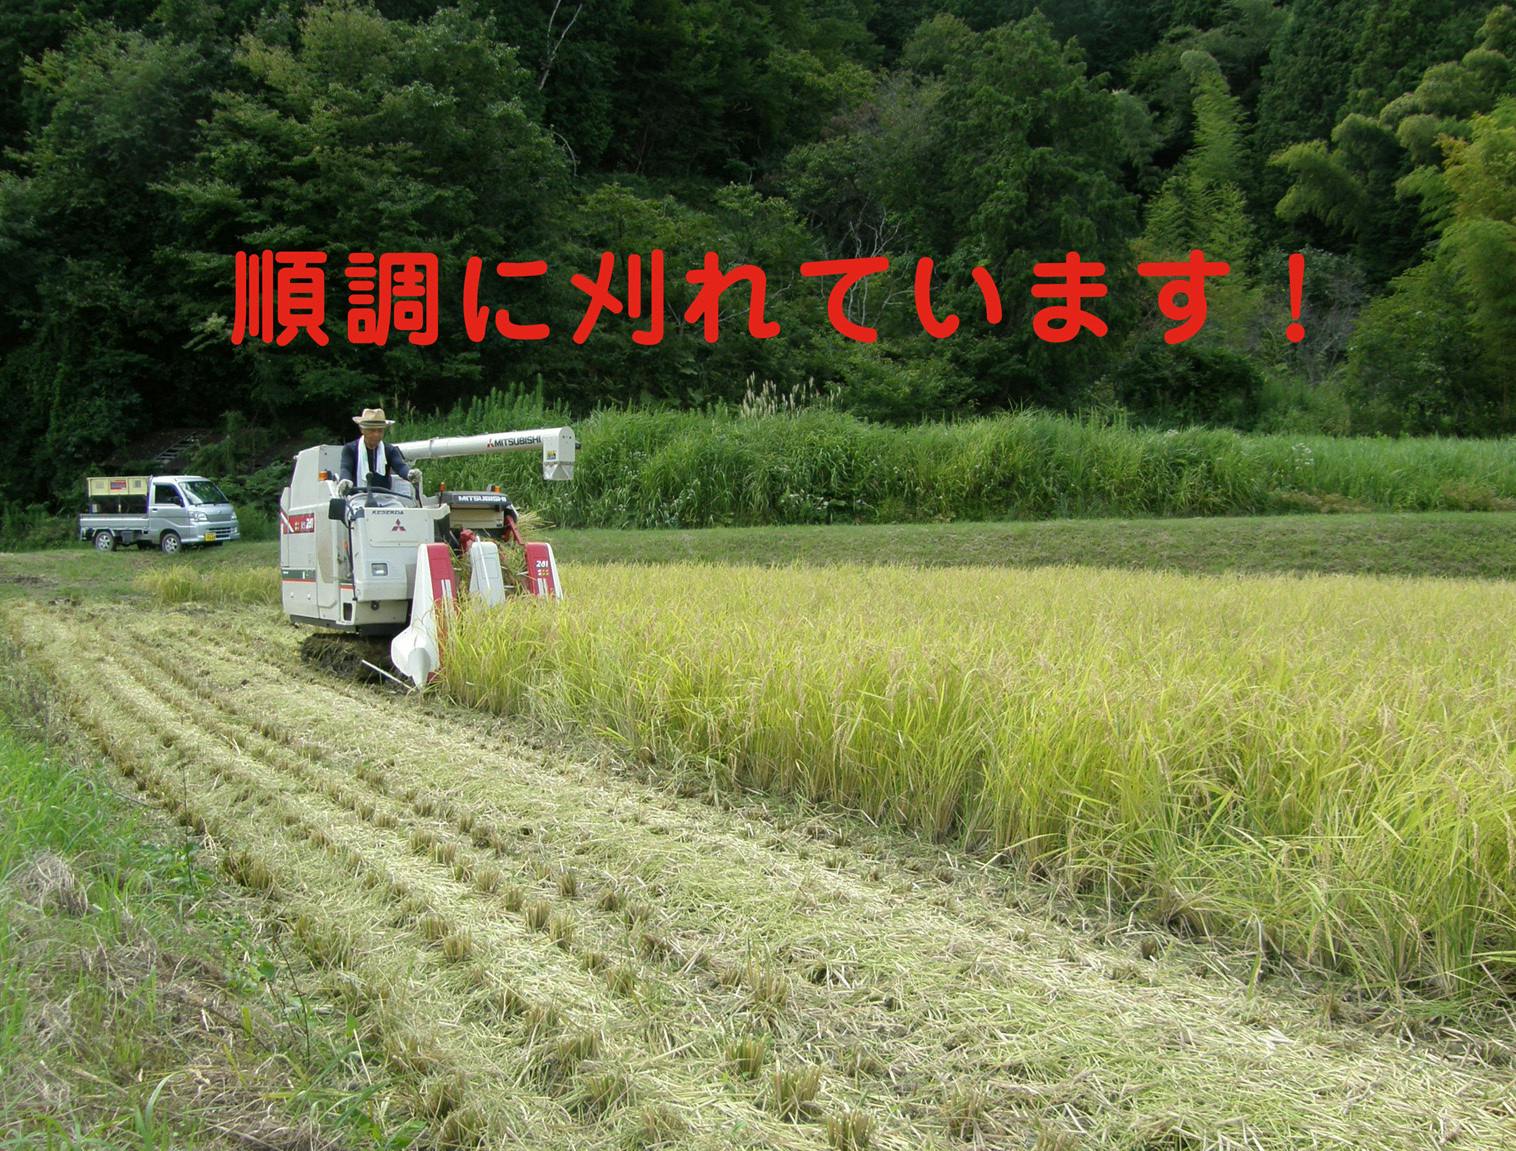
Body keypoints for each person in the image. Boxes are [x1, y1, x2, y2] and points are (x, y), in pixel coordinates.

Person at [339, 407, 415, 491]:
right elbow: (346, 468)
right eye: (372, 430)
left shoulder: (390, 450)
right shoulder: (350, 449)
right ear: (362, 430)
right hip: (357, 496)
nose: (376, 434)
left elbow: (400, 467)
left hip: (385, 496)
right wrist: (345, 481)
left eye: (380, 431)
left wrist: (410, 474)